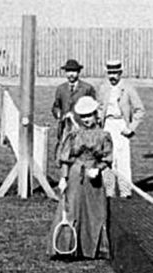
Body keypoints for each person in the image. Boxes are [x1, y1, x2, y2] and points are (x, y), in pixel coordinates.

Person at [48, 96, 113, 260]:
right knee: (72, 209)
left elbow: (107, 159)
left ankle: (93, 249)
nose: (86, 120)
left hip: (94, 179)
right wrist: (63, 178)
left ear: (95, 115)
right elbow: (66, 158)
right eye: (83, 116)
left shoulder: (103, 135)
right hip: (76, 175)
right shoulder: (74, 135)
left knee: (95, 211)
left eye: (89, 115)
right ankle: (68, 247)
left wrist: (98, 169)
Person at [97, 60, 145, 198]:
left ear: (120, 73)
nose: (112, 76)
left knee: (123, 160)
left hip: (121, 125)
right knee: (107, 159)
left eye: (115, 73)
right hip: (107, 125)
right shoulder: (103, 88)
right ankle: (109, 191)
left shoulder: (128, 88)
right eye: (110, 73)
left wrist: (130, 128)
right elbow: (100, 107)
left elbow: (140, 110)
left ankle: (125, 191)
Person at [52, 59, 97, 152]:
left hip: (82, 126)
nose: (71, 74)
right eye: (68, 71)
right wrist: (59, 114)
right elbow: (56, 106)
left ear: (78, 72)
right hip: (65, 128)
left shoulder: (87, 88)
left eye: (73, 71)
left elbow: (94, 108)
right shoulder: (61, 89)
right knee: (64, 152)